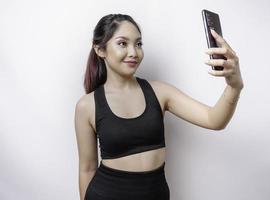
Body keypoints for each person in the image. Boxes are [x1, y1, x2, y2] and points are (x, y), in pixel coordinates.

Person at [74, 14, 244, 200]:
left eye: (138, 44)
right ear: (100, 50)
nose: (133, 52)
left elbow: (214, 120)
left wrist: (234, 87)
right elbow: (87, 169)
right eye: (123, 43)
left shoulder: (160, 92)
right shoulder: (87, 105)